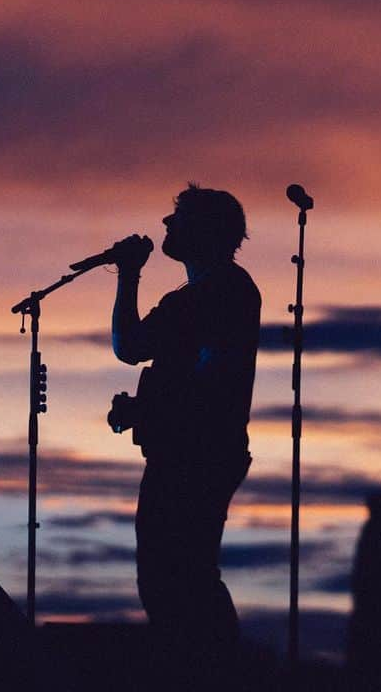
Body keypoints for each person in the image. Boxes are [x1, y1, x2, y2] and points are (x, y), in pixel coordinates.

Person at [109, 183, 260, 684]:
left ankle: (209, 674)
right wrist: (145, 408)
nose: (167, 225)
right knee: (170, 577)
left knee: (181, 578)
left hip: (197, 457)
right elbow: (141, 351)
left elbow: (204, 376)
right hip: (184, 452)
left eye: (178, 218)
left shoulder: (225, 292)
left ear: (205, 230)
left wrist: (128, 274)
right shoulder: (193, 298)